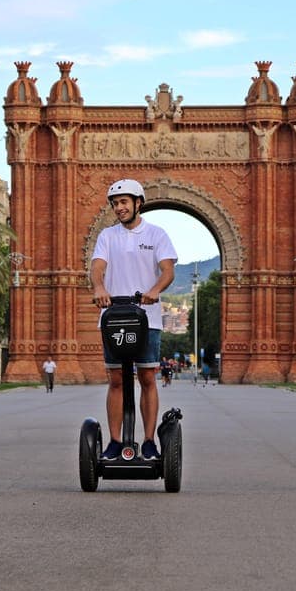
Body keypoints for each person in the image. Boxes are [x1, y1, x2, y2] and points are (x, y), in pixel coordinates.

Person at [91, 179, 177, 461]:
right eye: (115, 204)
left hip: (147, 318)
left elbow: (167, 271)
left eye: (124, 202)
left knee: (148, 376)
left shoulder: (157, 234)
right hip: (113, 317)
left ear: (138, 203)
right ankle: (115, 442)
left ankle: (150, 441)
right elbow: (97, 267)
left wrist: (154, 291)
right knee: (116, 379)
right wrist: (100, 288)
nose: (119, 208)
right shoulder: (107, 236)